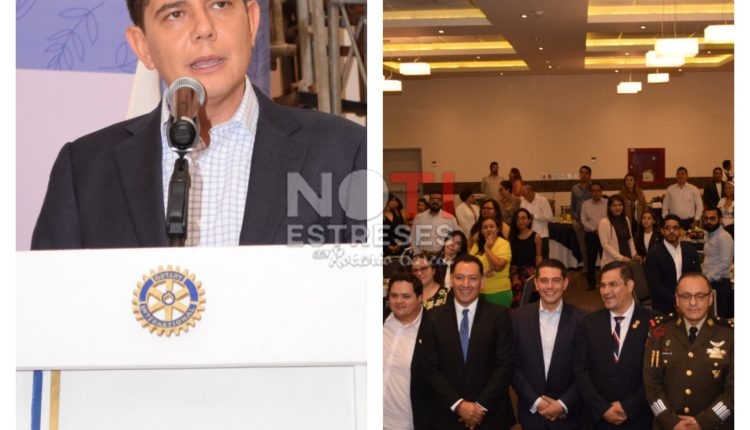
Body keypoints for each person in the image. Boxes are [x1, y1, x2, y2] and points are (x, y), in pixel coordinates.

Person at [32, 0, 366, 249]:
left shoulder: (344, 152)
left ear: (251, 21)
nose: (204, 28)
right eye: (176, 13)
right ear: (143, 46)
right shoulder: (84, 170)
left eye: (220, 4)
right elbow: (49, 308)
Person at [416, 254, 515, 430]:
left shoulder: (500, 316)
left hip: (491, 415)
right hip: (447, 414)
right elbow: (430, 367)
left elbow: (505, 366)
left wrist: (480, 406)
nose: (466, 284)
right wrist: (458, 404)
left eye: (473, 278)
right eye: (459, 278)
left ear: (482, 282)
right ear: (451, 280)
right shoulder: (432, 317)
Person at [574, 261, 659, 429]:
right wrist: (602, 408)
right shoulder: (588, 323)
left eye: (613, 284)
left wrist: (629, 407)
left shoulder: (655, 323)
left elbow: (658, 374)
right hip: (597, 419)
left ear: (630, 285)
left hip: (639, 419)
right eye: (603, 285)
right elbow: (580, 370)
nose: (606, 291)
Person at [643, 273, 734, 430]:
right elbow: (652, 386)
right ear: (677, 300)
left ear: (710, 298)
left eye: (700, 296)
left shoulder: (730, 335)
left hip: (714, 425)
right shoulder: (660, 332)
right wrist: (671, 422)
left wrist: (704, 422)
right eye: (685, 296)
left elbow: (735, 391)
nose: (693, 302)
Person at [512, 259, 586, 430]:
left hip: (569, 416)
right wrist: (536, 402)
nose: (550, 286)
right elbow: (512, 366)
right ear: (536, 284)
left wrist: (563, 404)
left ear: (565, 283)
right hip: (531, 414)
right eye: (544, 280)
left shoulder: (582, 320)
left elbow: (587, 368)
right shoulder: (517, 318)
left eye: (556, 280)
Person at [383, 273, 426, 430]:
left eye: (406, 296)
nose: (399, 301)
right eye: (394, 295)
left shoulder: (432, 329)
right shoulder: (377, 320)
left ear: (420, 297)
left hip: (408, 423)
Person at [644, 215, 701, 315]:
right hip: (663, 306)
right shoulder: (653, 255)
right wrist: (676, 301)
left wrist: (687, 300)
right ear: (662, 231)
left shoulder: (690, 251)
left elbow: (697, 277)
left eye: (675, 228)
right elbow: (655, 285)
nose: (671, 231)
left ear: (680, 230)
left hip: (690, 303)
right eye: (667, 228)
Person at [470, 217, 513, 307]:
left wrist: (487, 249)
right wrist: (483, 273)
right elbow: (470, 267)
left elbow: (498, 267)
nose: (488, 229)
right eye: (485, 227)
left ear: (497, 229)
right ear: (482, 231)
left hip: (499, 291)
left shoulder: (503, 244)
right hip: (478, 291)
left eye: (491, 226)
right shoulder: (477, 245)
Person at [701, 207, 734, 318]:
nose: (708, 221)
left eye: (712, 218)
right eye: (706, 218)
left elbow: (725, 263)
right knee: (709, 317)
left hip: (719, 284)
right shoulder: (708, 234)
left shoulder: (723, 237)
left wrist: (706, 278)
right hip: (709, 282)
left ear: (720, 219)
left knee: (718, 319)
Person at [508, 208, 542, 308]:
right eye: (517, 219)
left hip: (529, 274)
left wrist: (537, 273)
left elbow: (538, 256)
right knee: (515, 302)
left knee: (531, 301)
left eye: (523, 218)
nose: (520, 221)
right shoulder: (512, 237)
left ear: (529, 220)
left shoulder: (536, 236)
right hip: (515, 274)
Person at [580, 182, 608, 290]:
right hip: (591, 235)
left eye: (598, 190)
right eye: (593, 191)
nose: (596, 193)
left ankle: (607, 281)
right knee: (591, 259)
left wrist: (601, 229)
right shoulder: (585, 204)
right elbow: (583, 220)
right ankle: (591, 283)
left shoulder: (607, 203)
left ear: (601, 191)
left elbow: (610, 217)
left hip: (605, 235)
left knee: (605, 259)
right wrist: (593, 229)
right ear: (590, 192)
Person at [597, 195, 638, 267]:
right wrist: (620, 258)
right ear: (609, 207)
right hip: (613, 259)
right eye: (614, 205)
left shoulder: (626, 219)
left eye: (620, 205)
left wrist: (634, 254)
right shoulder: (603, 222)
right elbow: (605, 244)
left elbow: (630, 238)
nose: (618, 208)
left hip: (627, 256)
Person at [662, 167, 703, 231]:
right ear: (676, 176)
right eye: (678, 174)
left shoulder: (694, 189)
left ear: (687, 176)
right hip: (674, 222)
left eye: (683, 174)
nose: (680, 176)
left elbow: (700, 206)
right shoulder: (670, 189)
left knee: (689, 237)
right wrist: (666, 219)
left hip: (690, 222)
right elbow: (665, 206)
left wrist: (696, 219)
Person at [520, 184, 554, 260]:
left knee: (543, 259)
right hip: (528, 235)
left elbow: (550, 217)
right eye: (523, 195)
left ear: (532, 192)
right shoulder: (523, 201)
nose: (525, 197)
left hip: (542, 235)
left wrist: (534, 216)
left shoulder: (542, 200)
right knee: (530, 258)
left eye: (526, 194)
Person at [571, 165, 592, 274]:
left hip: (591, 222)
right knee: (583, 248)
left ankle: (593, 267)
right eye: (582, 172)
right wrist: (573, 218)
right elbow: (573, 205)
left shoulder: (593, 188)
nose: (583, 175)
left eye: (586, 173)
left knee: (592, 246)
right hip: (578, 222)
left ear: (590, 175)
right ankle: (586, 268)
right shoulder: (575, 188)